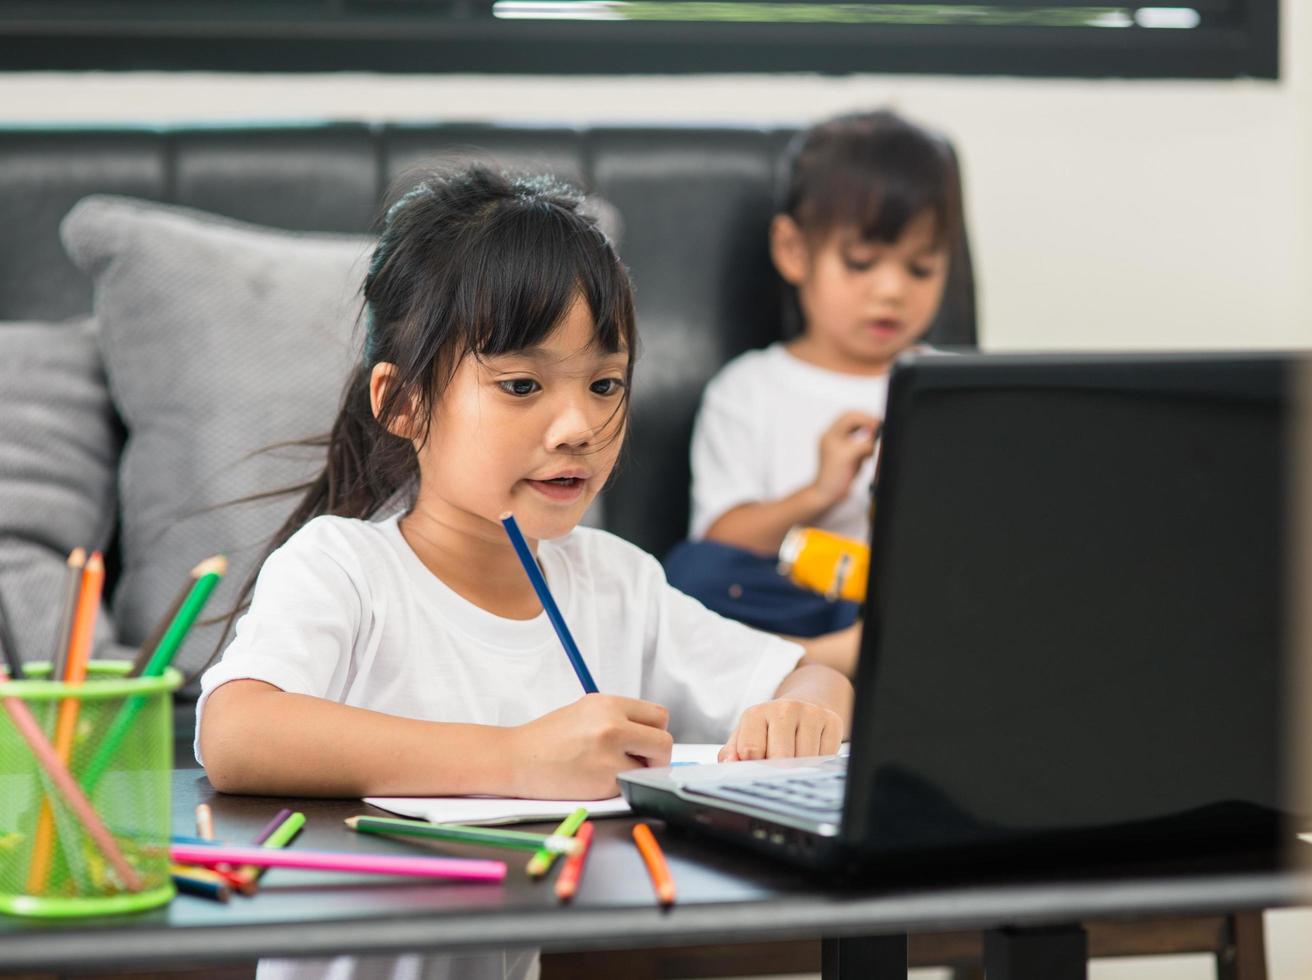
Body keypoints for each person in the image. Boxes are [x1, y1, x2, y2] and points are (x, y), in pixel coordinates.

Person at [194, 166, 853, 980]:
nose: (578, 424)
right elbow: (236, 733)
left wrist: (802, 713)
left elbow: (811, 676)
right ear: (402, 403)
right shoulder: (344, 566)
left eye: (604, 383)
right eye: (521, 385)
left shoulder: (615, 583)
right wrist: (516, 756)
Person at [666, 110, 962, 674]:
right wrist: (818, 493)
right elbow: (719, 541)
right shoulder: (750, 389)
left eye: (921, 268)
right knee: (693, 574)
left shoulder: (951, 386)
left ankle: (816, 663)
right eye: (861, 263)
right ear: (794, 251)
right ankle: (845, 656)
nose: (892, 291)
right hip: (804, 603)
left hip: (924, 599)